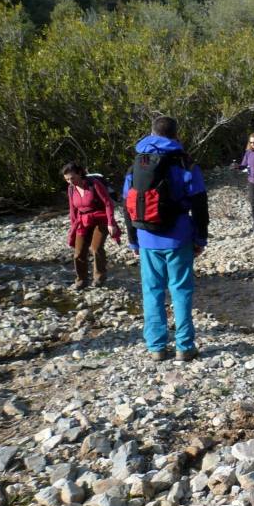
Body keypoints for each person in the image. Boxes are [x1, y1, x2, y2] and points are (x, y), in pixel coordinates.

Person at [122, 116, 209, 362]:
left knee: (152, 292)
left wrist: (133, 241)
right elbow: (200, 205)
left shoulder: (137, 164)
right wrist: (200, 238)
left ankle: (157, 347)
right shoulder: (186, 165)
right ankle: (184, 346)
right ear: (176, 135)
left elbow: (127, 205)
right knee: (181, 291)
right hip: (179, 237)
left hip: (146, 237)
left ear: (151, 133)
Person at [63, 162, 121, 290]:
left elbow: (108, 203)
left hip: (101, 219)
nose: (70, 182)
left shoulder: (94, 184)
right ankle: (81, 280)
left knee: (96, 248)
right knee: (78, 253)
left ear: (79, 174)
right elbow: (73, 209)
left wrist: (111, 223)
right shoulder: (71, 189)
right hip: (83, 221)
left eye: (72, 178)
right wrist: (73, 227)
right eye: (67, 179)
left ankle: (99, 277)